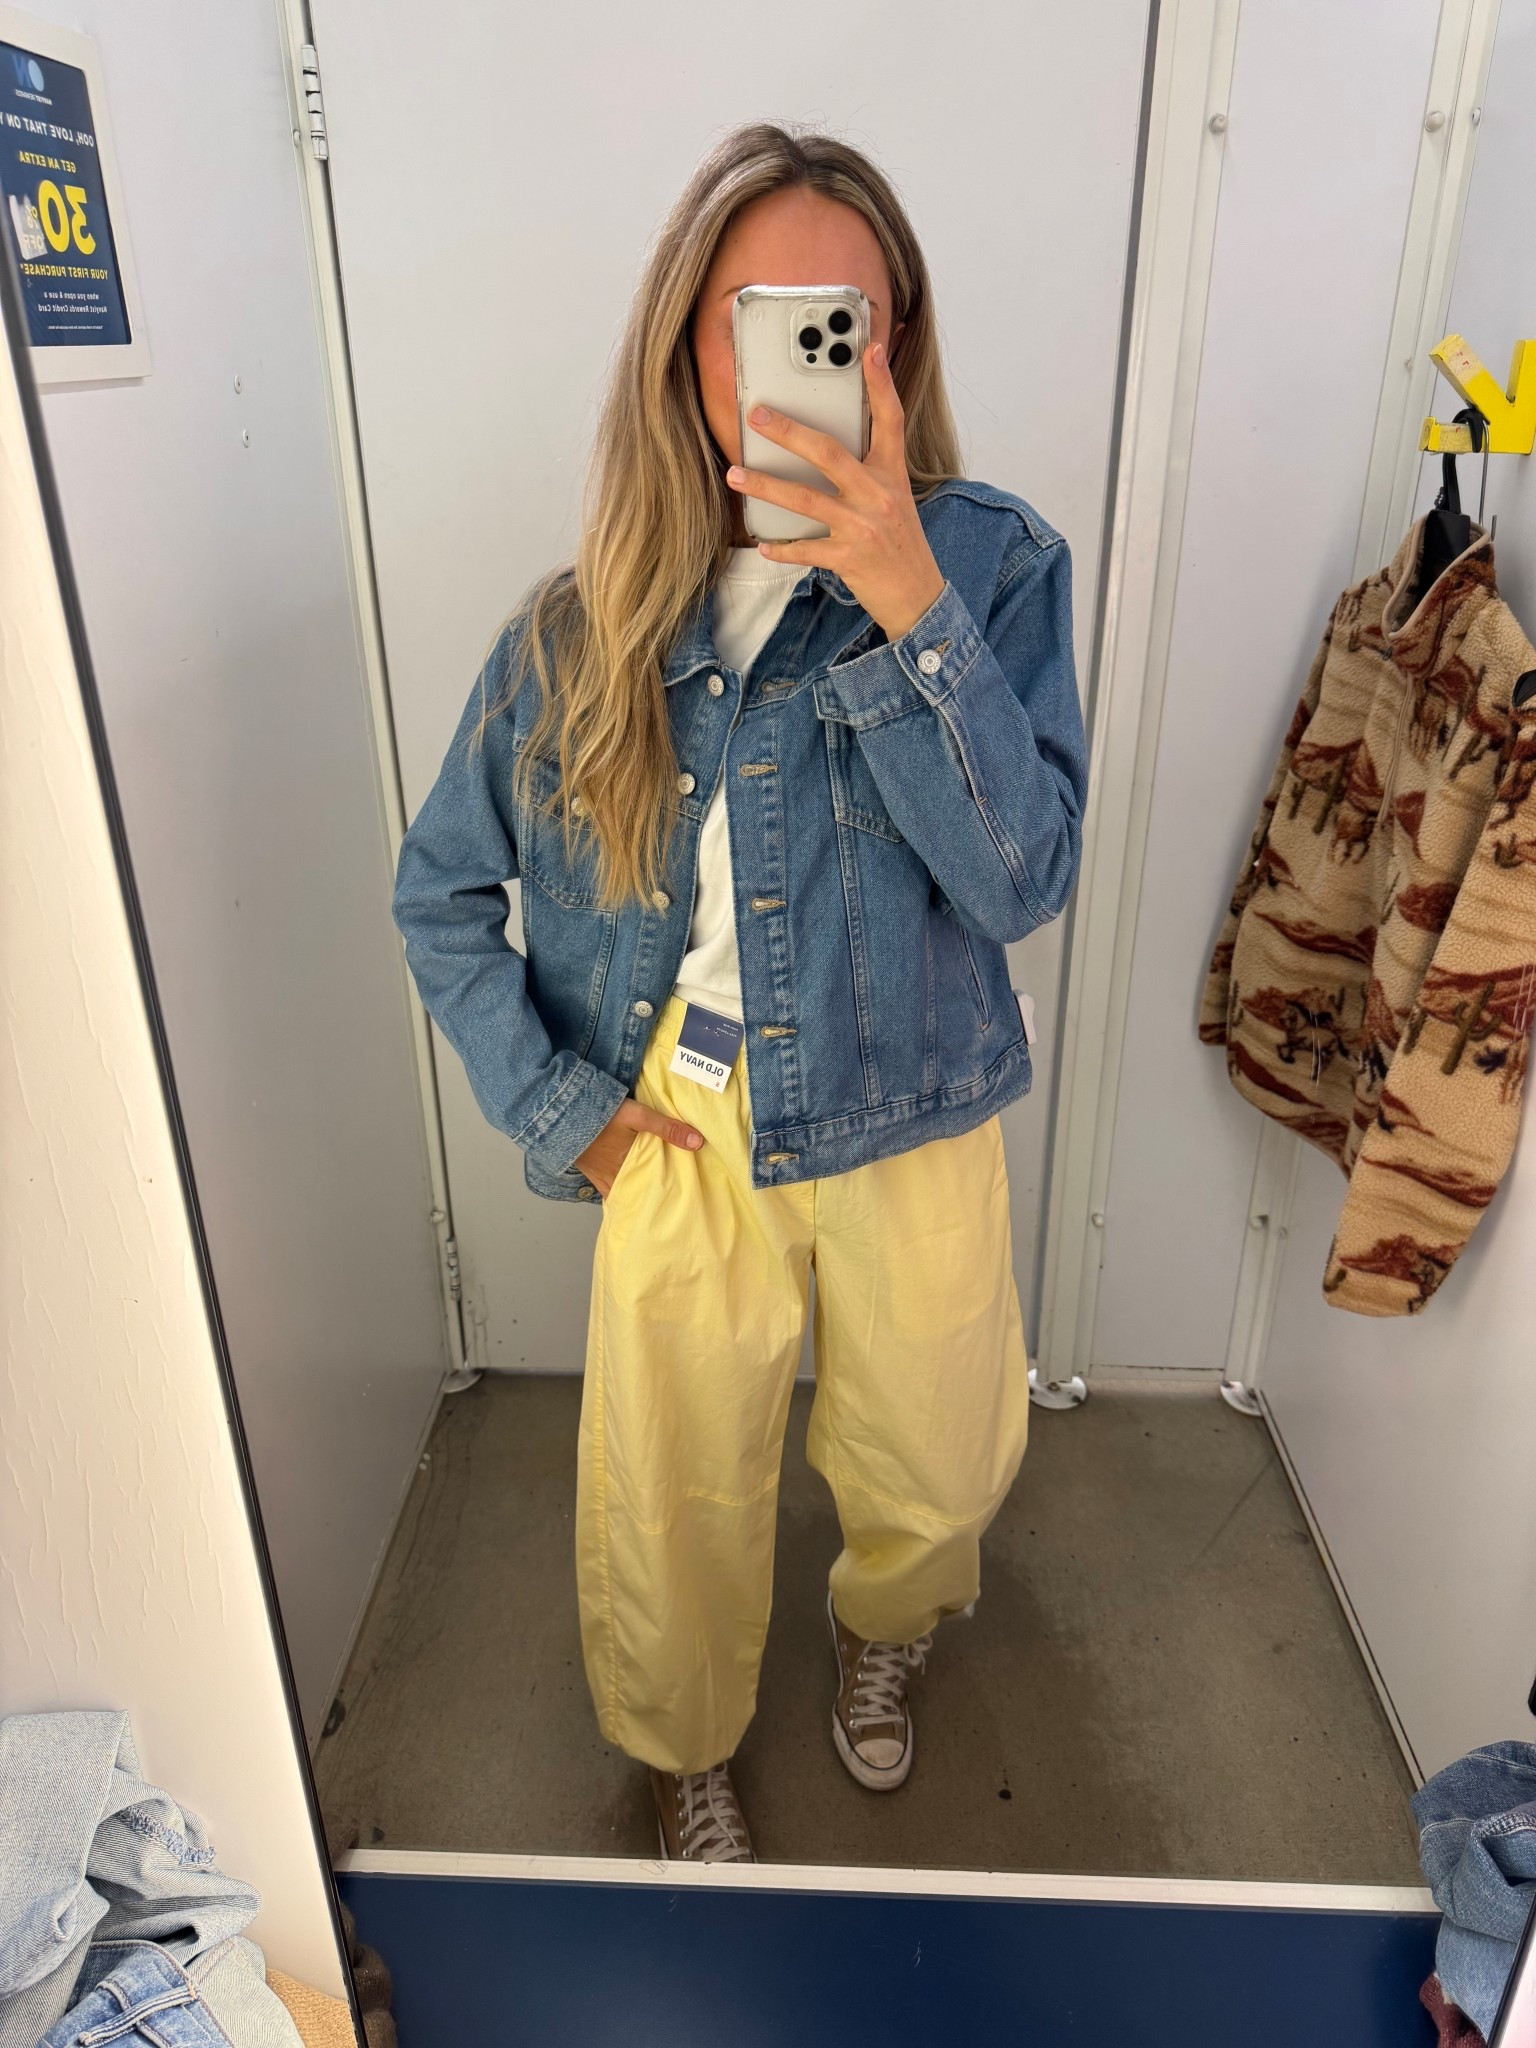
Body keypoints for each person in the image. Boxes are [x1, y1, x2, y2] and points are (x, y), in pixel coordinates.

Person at [393, 122, 1088, 1863]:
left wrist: (907, 603)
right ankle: (682, 1741)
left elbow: (1024, 880)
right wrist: (568, 1113)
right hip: (683, 1128)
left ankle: (881, 1629)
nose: (803, 356)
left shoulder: (992, 566)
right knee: (674, 1497)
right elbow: (439, 895)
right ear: (687, 349)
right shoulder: (584, 629)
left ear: (895, 346)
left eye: (846, 320)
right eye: (761, 318)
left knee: (941, 1466)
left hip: (916, 1096)